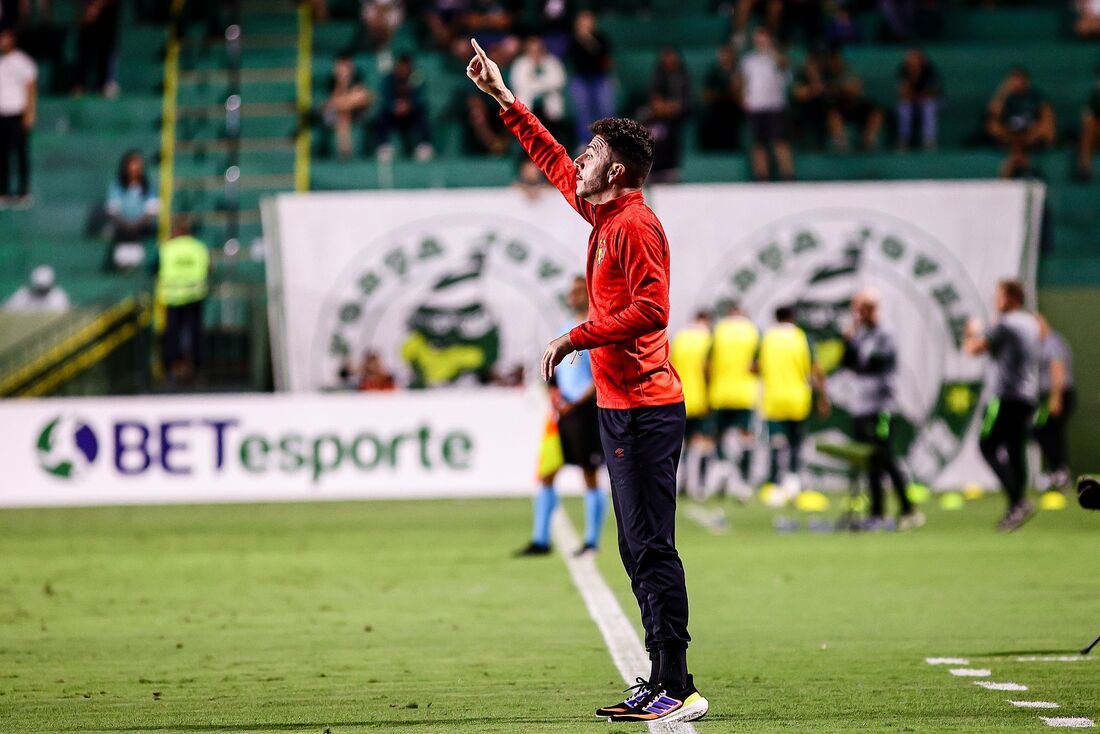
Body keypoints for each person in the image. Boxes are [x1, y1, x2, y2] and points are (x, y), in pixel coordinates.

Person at [466, 38, 708, 724]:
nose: (580, 158)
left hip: (647, 408)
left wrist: (574, 335)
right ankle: (667, 677)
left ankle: (677, 684)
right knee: (637, 545)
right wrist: (504, 96)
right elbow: (547, 157)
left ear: (620, 170)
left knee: (650, 545)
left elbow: (652, 310)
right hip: (619, 403)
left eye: (593, 153)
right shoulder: (604, 213)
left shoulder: (635, 225)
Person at [516, 276, 609, 558]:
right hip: (563, 414)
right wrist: (555, 394)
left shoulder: (598, 328)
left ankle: (592, 540)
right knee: (546, 472)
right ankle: (540, 539)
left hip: (586, 412)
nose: (574, 296)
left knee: (589, 473)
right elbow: (555, 369)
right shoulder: (564, 329)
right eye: (571, 291)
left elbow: (601, 375)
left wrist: (576, 402)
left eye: (579, 290)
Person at [840, 289, 924, 531]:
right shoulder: (860, 334)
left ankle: (908, 509)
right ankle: (876, 512)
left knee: (885, 457)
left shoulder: (886, 332)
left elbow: (871, 362)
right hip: (861, 406)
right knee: (870, 462)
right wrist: (848, 340)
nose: (858, 313)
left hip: (882, 407)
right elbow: (848, 363)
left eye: (862, 308)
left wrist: (856, 350)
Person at [964, 279, 1042, 532]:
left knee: (986, 445)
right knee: (1015, 451)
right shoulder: (1031, 322)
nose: (995, 301)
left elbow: (974, 348)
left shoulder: (1005, 324)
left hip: (1004, 397)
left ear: (1011, 298)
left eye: (998, 296)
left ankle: (1018, 501)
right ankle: (1015, 507)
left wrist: (972, 331)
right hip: (1027, 396)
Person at [758, 305, 828, 502]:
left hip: (774, 399)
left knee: (777, 443)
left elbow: (754, 366)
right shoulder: (802, 338)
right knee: (797, 443)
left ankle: (775, 485)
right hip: (798, 398)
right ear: (793, 317)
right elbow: (817, 370)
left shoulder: (767, 338)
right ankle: (794, 481)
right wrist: (823, 397)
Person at [707, 302, 759, 500]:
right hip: (745, 394)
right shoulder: (752, 331)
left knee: (717, 436)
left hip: (720, 393)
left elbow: (707, 364)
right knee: (746, 437)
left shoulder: (718, 330)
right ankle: (744, 481)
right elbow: (756, 364)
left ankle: (721, 473)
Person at [157, 217, 211, 384]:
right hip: (195, 295)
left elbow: (154, 268)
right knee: (195, 333)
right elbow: (209, 268)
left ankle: (171, 370)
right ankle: (198, 369)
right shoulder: (199, 247)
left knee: (172, 335)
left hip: (172, 296)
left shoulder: (167, 248)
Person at [737, 27, 794, 181]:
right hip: (755, 106)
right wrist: (743, 98)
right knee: (758, 143)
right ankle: (761, 175)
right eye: (758, 38)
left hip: (775, 105)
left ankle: (787, 174)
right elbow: (743, 81)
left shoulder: (778, 57)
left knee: (779, 141)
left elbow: (784, 67)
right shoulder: (748, 60)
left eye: (764, 38)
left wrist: (772, 51)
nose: (760, 41)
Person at [670, 310, 714, 501]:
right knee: (703, 443)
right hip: (702, 398)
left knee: (683, 443)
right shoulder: (709, 339)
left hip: (680, 397)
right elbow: (709, 369)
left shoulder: (680, 338)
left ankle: (682, 482)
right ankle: (700, 485)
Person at [985, 67, 1055, 179]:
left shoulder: (1036, 97)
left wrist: (1033, 134)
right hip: (1012, 138)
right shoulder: (1006, 98)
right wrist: (1002, 91)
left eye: (1019, 79)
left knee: (1039, 131)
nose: (1016, 83)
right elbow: (993, 117)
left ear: (1026, 80)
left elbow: (1047, 120)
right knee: (998, 129)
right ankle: (1023, 162)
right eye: (1013, 80)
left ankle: (1014, 164)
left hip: (1031, 137)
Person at [1032, 315, 1075, 493]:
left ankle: (1059, 471)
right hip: (1049, 396)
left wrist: (1055, 397)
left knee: (1041, 429)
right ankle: (1058, 471)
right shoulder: (1041, 344)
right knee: (1048, 432)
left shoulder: (1052, 342)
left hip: (1058, 394)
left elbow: (1057, 369)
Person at [0, 26, 36, 206]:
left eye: (5, 37)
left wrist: (29, 114)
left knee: (20, 154)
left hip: (17, 113)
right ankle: (4, 192)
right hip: (2, 114)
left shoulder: (23, 62)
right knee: (3, 155)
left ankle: (23, 192)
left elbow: (30, 89)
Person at [643, 46, 691, 184]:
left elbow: (683, 104)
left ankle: (671, 169)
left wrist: (672, 109)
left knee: (671, 129)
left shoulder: (683, 76)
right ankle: (652, 168)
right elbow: (655, 101)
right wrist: (664, 108)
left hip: (677, 118)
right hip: (658, 117)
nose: (669, 60)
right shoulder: (658, 75)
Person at [567, 11, 614, 148]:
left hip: (600, 78)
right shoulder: (573, 40)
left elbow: (602, 56)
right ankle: (584, 142)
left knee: (606, 110)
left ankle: (609, 140)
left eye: (588, 21)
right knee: (583, 111)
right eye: (582, 21)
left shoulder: (601, 38)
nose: (585, 24)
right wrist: (580, 39)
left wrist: (587, 39)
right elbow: (575, 59)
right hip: (581, 79)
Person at [106, 149, 159, 271]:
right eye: (133, 164)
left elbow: (151, 210)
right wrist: (127, 226)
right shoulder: (117, 186)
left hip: (142, 234)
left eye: (139, 164)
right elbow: (113, 210)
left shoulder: (149, 186)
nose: (136, 168)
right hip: (122, 235)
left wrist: (136, 226)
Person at [375, 54, 434, 162]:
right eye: (401, 67)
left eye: (406, 68)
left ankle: (424, 146)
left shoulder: (417, 77)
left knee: (422, 113)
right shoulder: (388, 79)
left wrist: (408, 105)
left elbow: (421, 96)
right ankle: (384, 146)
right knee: (383, 114)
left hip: (411, 113)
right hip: (394, 114)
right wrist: (394, 105)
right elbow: (384, 97)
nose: (403, 71)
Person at [509, 36, 566, 139]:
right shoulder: (520, 64)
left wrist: (534, 83)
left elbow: (558, 81)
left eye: (538, 49)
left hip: (549, 101)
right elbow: (519, 84)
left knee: (551, 116)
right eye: (532, 50)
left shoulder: (552, 62)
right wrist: (544, 84)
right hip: (528, 100)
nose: (535, 53)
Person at [322, 53, 372, 160]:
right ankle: (345, 151)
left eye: (346, 65)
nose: (344, 69)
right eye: (341, 65)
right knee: (339, 115)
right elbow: (329, 103)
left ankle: (344, 152)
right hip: (332, 116)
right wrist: (342, 84)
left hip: (356, 113)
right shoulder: (330, 80)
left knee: (344, 114)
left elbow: (363, 99)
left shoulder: (358, 77)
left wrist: (343, 102)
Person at [699, 44, 742, 152]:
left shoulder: (738, 72)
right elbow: (706, 95)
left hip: (733, 109)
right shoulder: (713, 72)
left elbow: (739, 96)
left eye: (728, 54)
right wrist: (722, 93)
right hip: (716, 108)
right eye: (723, 54)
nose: (725, 57)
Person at [74, 0, 120, 97]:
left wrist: (96, 6)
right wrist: (88, 9)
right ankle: (81, 82)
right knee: (85, 43)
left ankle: (108, 81)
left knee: (107, 42)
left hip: (107, 9)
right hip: (87, 9)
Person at [896, 47, 939, 151]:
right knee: (904, 106)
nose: (912, 60)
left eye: (914, 57)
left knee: (929, 106)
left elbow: (932, 93)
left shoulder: (929, 70)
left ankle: (929, 140)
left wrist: (916, 96)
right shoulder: (902, 70)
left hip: (927, 101)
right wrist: (912, 96)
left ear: (921, 58)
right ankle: (904, 139)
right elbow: (901, 94)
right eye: (910, 57)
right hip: (912, 101)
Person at [2, 265, 69, 313]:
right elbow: (5, 310)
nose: (42, 291)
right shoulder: (22, 296)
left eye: (44, 288)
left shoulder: (58, 297)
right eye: (39, 288)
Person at [1074, 67, 1100, 181]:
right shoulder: (1094, 97)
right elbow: (1087, 117)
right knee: (1089, 127)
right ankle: (1085, 168)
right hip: (1096, 135)